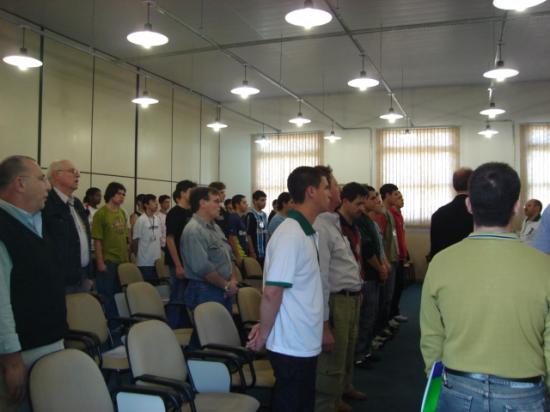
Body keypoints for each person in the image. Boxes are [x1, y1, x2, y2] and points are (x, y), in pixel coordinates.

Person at [420, 162, 550, 411]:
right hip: (525, 391)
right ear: (516, 207)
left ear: (469, 205)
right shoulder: (544, 267)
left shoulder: (441, 263)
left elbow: (431, 338)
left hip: (456, 386)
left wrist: (436, 385)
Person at [247, 166, 331, 412]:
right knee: (291, 403)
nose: (330, 193)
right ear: (311, 191)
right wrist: (264, 332)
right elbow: (272, 292)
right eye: (326, 187)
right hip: (291, 343)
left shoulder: (306, 232)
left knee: (302, 402)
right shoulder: (290, 234)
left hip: (302, 339)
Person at [0, 156, 67, 412]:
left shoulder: (36, 221)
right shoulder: (4, 228)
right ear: (20, 183)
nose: (48, 186)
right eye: (41, 179)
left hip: (49, 342)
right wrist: (11, 360)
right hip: (22, 353)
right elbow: (1, 301)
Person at [314, 179, 366, 412]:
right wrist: (325, 320)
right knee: (334, 355)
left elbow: (350, 262)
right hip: (337, 299)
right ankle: (328, 402)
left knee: (348, 349)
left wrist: (358, 289)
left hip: (351, 296)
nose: (334, 191)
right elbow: (322, 274)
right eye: (330, 187)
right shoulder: (321, 226)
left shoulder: (337, 223)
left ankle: (342, 390)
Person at [181, 186, 239, 346]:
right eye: (216, 201)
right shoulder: (193, 230)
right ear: (202, 203)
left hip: (223, 289)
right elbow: (203, 268)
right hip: (205, 290)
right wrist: (226, 285)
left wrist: (233, 280)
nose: (220, 206)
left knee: (222, 337)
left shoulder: (215, 227)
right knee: (208, 340)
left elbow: (228, 255)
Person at [43, 160, 92, 293]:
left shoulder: (77, 203)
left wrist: (88, 274)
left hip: (82, 275)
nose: (78, 175)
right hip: (59, 280)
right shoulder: (46, 203)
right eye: (72, 171)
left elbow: (85, 237)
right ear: (56, 175)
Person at [355, 186, 388, 366]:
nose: (377, 201)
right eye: (372, 198)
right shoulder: (360, 221)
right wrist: (380, 267)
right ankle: (360, 354)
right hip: (367, 275)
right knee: (366, 317)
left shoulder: (368, 220)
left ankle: (365, 350)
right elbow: (367, 250)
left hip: (374, 274)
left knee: (371, 315)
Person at [92, 182, 129, 325]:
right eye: (119, 193)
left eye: (124, 194)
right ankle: (112, 326)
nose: (122, 197)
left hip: (122, 261)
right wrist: (100, 262)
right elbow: (97, 240)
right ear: (111, 194)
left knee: (119, 294)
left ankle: (120, 323)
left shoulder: (122, 213)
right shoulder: (101, 214)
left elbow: (125, 238)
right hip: (108, 261)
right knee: (107, 295)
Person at [164, 180, 197, 328]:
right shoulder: (174, 213)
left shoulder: (193, 212)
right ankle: (172, 329)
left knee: (189, 298)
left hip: (191, 264)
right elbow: (170, 240)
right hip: (178, 263)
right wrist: (178, 265)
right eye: (191, 191)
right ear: (183, 193)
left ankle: (185, 328)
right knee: (177, 298)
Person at [428, 167, 473, 261]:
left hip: (445, 264)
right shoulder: (479, 214)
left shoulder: (438, 214)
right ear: (472, 184)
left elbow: (434, 251)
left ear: (454, 185)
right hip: (471, 263)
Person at [132, 194, 161, 283]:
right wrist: (138, 256)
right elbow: (135, 240)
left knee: (157, 286)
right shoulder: (141, 220)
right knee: (147, 286)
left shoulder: (157, 218)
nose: (156, 204)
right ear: (146, 205)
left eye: (156, 202)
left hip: (157, 261)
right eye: (153, 202)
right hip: (145, 262)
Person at [388, 191, 408, 323]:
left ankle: (395, 311)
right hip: (394, 256)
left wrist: (405, 252)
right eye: (398, 197)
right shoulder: (390, 214)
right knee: (393, 287)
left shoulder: (399, 214)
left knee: (399, 285)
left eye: (402, 197)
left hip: (401, 255)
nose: (402, 199)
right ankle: (391, 314)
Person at [227, 194, 256, 267]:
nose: (247, 205)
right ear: (237, 205)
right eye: (244, 203)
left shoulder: (243, 217)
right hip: (239, 254)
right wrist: (238, 255)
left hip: (245, 251)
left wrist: (251, 251)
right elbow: (232, 238)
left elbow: (245, 235)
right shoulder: (233, 218)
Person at [246, 190, 269, 265]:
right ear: (255, 201)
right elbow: (248, 235)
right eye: (262, 200)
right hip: (256, 251)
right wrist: (252, 252)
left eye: (265, 200)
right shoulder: (250, 215)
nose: (264, 202)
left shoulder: (264, 215)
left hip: (264, 251)